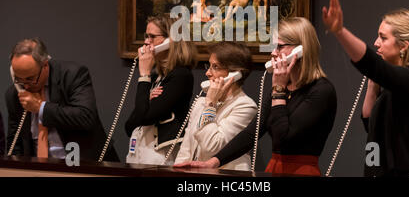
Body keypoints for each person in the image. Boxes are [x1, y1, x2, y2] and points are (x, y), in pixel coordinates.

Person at [177, 17, 337, 176]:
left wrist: (278, 89)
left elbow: (283, 138)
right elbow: (252, 132)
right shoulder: (282, 89)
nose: (274, 53)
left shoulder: (321, 90)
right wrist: (213, 162)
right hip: (274, 168)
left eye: (279, 47)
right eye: (273, 46)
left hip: (301, 171)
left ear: (301, 49)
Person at [322, 0, 409, 176]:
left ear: (403, 46)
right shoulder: (394, 86)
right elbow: (370, 126)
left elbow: (371, 63)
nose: (376, 43)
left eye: (383, 38)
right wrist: (372, 84)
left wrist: (340, 31)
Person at [5, 38, 118, 161]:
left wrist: (40, 107)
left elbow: (86, 117)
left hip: (82, 161)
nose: (25, 85)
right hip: (39, 168)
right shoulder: (14, 94)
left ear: (45, 65)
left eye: (30, 78)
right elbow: (15, 142)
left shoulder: (72, 74)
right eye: (19, 78)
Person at [125, 14, 197, 165]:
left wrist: (143, 75)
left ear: (171, 40)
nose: (146, 42)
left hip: (160, 157)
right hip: (138, 153)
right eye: (146, 36)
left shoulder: (181, 75)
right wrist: (147, 96)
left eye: (152, 37)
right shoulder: (157, 76)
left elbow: (145, 118)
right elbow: (130, 125)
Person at [174, 42, 257, 170]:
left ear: (235, 74)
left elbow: (212, 147)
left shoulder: (245, 106)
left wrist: (210, 105)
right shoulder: (201, 102)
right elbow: (186, 149)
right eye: (209, 66)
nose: (208, 73)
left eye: (215, 67)